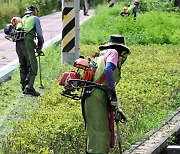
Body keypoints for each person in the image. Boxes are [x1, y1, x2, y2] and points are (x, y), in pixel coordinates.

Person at [82, 35, 130, 153]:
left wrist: (116, 107)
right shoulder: (113, 52)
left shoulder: (100, 55)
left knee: (95, 132)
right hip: (96, 96)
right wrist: (113, 94)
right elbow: (108, 70)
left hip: (91, 95)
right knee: (100, 134)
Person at [16, 5, 44, 96]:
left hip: (18, 44)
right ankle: (29, 87)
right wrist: (40, 46)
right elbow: (39, 35)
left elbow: (25, 33)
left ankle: (24, 86)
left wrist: (34, 44)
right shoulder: (35, 18)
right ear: (35, 11)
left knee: (23, 64)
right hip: (27, 44)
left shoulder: (21, 19)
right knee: (32, 65)